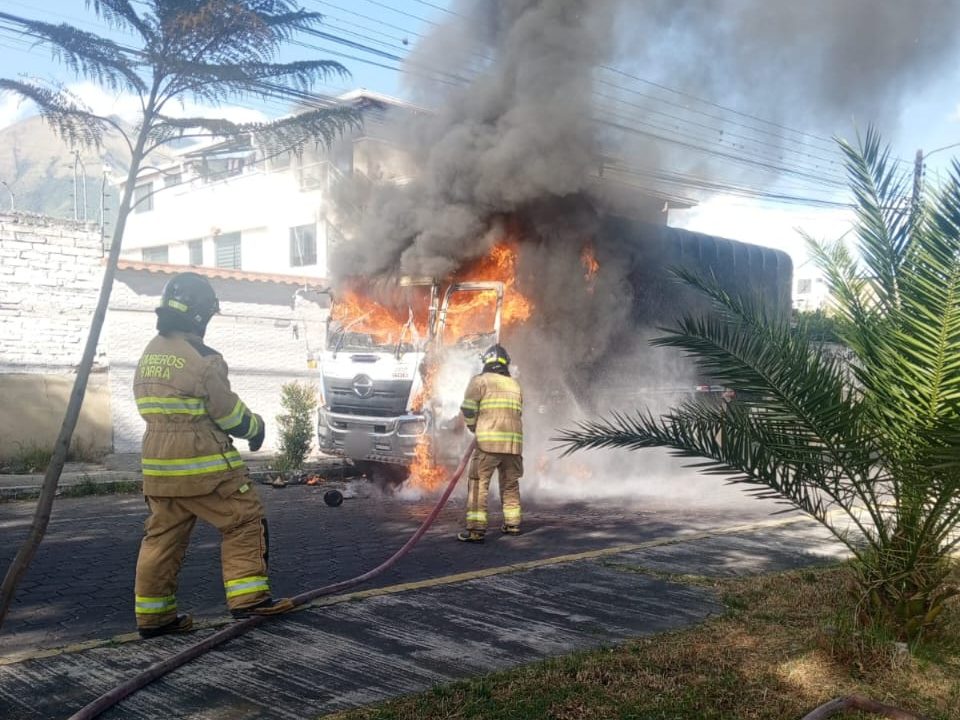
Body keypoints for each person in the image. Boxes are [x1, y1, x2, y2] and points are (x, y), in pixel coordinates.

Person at [133, 272, 292, 638]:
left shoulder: (149, 354)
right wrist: (256, 428)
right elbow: (228, 413)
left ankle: (154, 618)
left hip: (157, 467)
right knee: (243, 519)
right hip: (204, 466)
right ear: (200, 316)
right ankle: (249, 599)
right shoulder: (203, 358)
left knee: (161, 538)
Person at [457, 344, 524, 542]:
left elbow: (468, 408)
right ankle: (513, 525)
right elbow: (518, 412)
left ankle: (476, 530)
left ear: (487, 362)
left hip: (488, 444)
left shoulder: (480, 381)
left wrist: (473, 427)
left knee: (478, 484)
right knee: (510, 484)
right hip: (513, 445)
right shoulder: (515, 385)